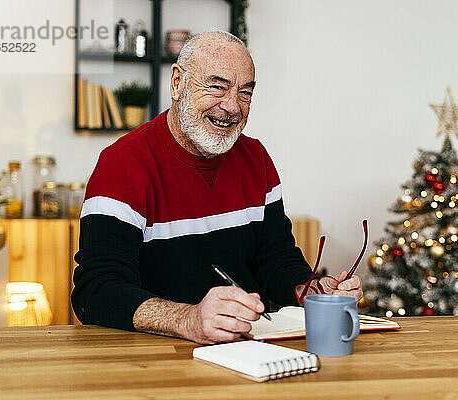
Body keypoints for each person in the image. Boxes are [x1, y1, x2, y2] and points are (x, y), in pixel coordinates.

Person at [71, 31, 362, 344]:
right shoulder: (122, 164)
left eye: (245, 93)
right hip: (153, 359)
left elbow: (276, 259)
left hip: (246, 350)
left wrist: (311, 290)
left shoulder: (256, 158)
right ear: (177, 83)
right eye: (216, 86)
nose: (232, 106)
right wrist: (187, 319)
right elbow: (96, 291)